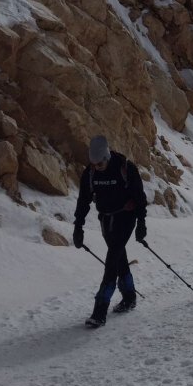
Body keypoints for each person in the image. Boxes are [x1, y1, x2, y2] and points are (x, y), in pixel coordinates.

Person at [73, 134, 147, 328]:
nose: (96, 167)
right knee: (119, 257)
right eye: (93, 164)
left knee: (111, 260)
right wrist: (78, 227)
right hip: (106, 219)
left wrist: (141, 223)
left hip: (126, 217)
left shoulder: (125, 168)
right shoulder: (90, 174)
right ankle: (129, 297)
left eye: (99, 164)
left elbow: (139, 196)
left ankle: (100, 311)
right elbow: (83, 201)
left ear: (107, 157)